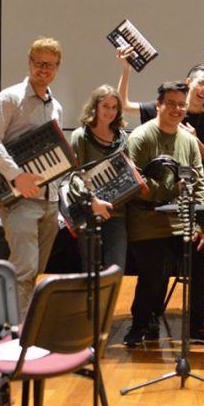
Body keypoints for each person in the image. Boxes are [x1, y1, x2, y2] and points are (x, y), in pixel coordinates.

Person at [0, 37, 111, 319]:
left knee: (33, 269)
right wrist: (16, 177)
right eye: (38, 63)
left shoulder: (56, 107)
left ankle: (10, 320)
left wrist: (61, 196)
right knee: (24, 269)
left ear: (57, 68)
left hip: (49, 200)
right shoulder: (10, 98)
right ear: (29, 63)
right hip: (19, 198)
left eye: (49, 65)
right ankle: (17, 335)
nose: (43, 70)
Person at [118, 54, 204, 342]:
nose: (176, 109)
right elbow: (135, 183)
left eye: (180, 105)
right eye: (170, 104)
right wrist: (169, 190)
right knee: (156, 267)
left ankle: (197, 324)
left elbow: (198, 184)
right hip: (148, 222)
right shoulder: (140, 137)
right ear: (158, 105)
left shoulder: (188, 140)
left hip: (182, 223)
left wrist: (202, 226)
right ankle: (142, 325)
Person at [69, 84, 129, 272]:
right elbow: (74, 176)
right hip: (88, 211)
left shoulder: (123, 137)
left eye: (114, 107)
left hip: (116, 211)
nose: (109, 111)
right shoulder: (80, 135)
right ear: (95, 106)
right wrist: (92, 200)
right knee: (91, 271)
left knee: (116, 269)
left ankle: (108, 303)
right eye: (105, 106)